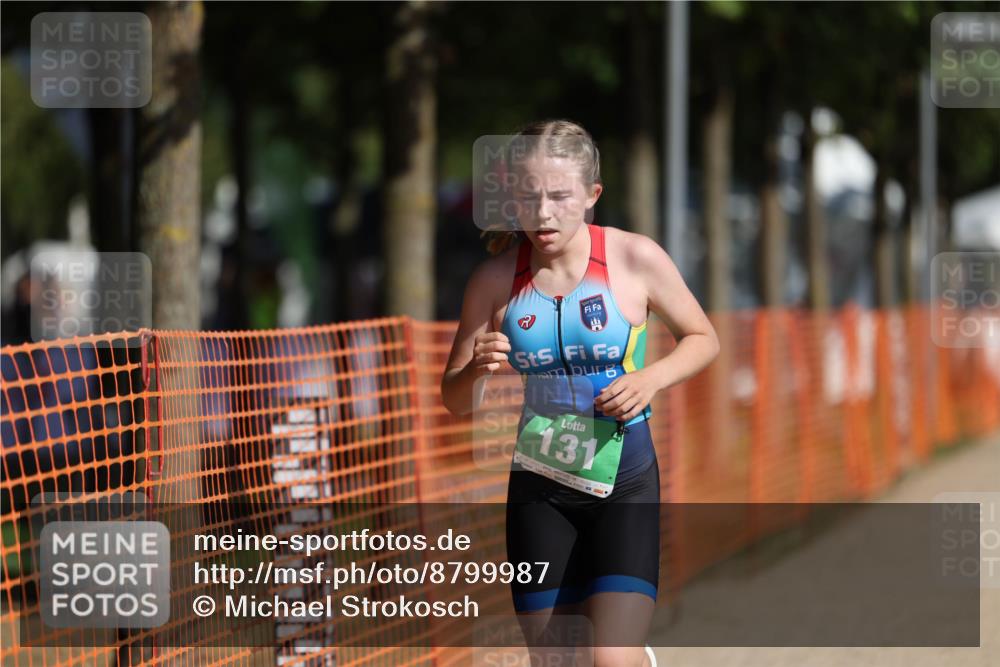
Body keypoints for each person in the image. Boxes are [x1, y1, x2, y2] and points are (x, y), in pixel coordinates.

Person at [440, 120, 719, 667]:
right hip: (539, 490)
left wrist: (650, 378)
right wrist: (475, 371)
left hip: (626, 481)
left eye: (560, 196)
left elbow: (703, 337)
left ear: (592, 196)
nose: (543, 213)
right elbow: (453, 399)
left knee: (611, 659)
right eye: (528, 195)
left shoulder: (635, 259)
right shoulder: (495, 281)